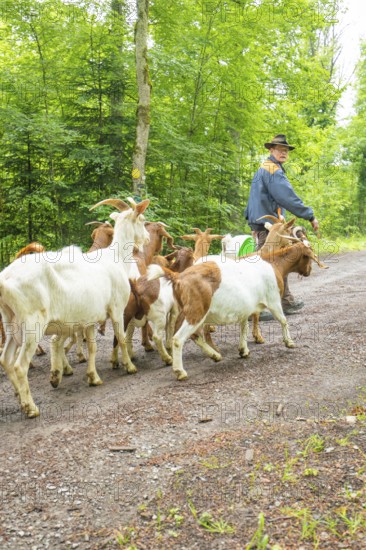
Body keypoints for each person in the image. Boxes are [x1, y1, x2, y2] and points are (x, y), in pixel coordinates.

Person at [244, 134, 319, 318]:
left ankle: (285, 301)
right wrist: (309, 215)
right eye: (280, 149)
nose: (283, 153)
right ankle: (256, 309)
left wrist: (252, 220)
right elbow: (287, 197)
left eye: (285, 150)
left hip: (265, 223)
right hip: (269, 225)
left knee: (278, 260)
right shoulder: (273, 171)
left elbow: (254, 198)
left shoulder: (265, 168)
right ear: (271, 150)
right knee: (264, 265)